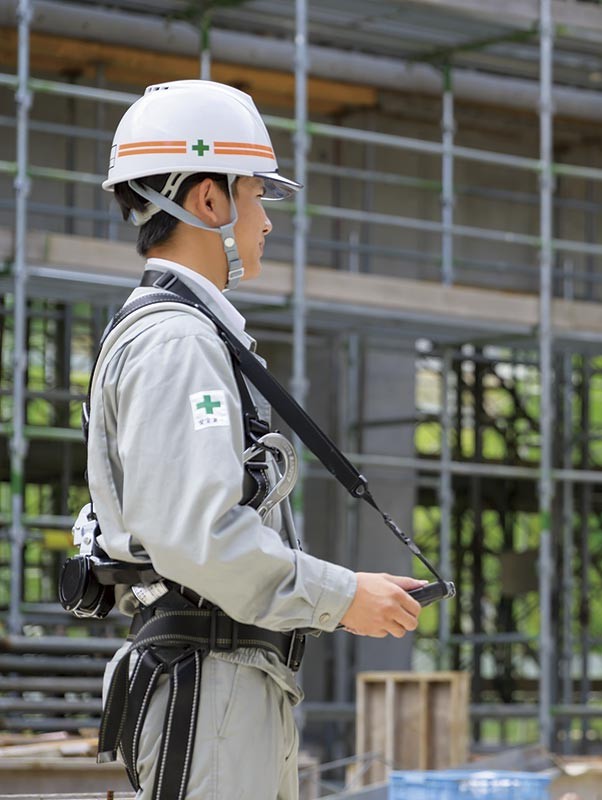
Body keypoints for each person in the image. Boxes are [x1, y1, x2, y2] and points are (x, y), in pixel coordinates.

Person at [86, 80, 427, 800]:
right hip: (212, 688)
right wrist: (342, 595)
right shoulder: (178, 343)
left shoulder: (188, 336)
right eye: (257, 194)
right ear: (208, 201)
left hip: (229, 682)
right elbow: (199, 538)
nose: (266, 221)